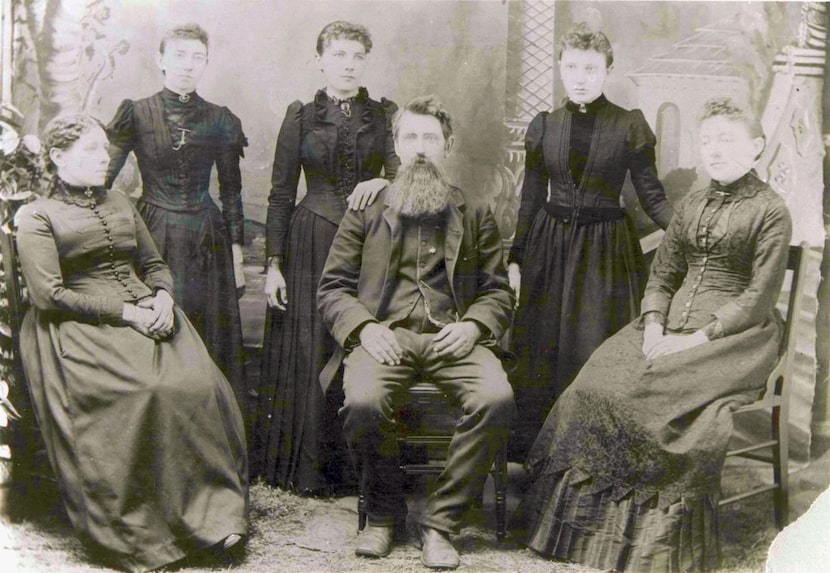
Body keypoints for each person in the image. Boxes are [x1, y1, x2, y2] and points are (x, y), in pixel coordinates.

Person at [510, 97, 792, 572]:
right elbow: (662, 276)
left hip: (734, 337)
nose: (715, 150)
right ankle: (586, 534)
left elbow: (757, 299)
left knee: (658, 402)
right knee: (593, 386)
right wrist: (656, 324)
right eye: (707, 141)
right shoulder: (692, 204)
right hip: (669, 324)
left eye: (727, 140)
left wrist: (692, 340)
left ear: (757, 146)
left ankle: (649, 546)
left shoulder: (771, 211)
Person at [16, 114, 248, 573]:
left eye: (105, 150)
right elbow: (49, 295)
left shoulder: (122, 201)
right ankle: (145, 534)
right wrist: (127, 313)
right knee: (147, 393)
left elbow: (154, 262)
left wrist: (162, 297)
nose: (105, 158)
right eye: (91, 151)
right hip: (75, 326)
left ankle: (213, 517)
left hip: (147, 312)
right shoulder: (37, 215)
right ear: (59, 157)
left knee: (199, 385)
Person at [318, 95, 515, 569]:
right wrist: (364, 329)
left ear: (447, 146)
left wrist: (473, 325)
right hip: (385, 337)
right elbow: (332, 288)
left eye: (431, 138)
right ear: (397, 144)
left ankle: (441, 523)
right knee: (363, 402)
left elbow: (497, 291)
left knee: (496, 399)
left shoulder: (473, 211)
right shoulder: (366, 208)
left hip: (454, 339)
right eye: (411, 137)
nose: (421, 148)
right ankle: (384, 516)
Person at [507, 22, 673, 458]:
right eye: (573, 67)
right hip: (548, 248)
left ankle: (588, 459)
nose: (581, 77)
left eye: (592, 68)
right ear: (561, 68)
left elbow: (652, 196)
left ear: (607, 71)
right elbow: (529, 199)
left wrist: (688, 233)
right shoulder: (544, 125)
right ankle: (537, 456)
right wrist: (515, 258)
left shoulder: (628, 125)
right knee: (541, 349)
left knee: (592, 349)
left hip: (605, 254)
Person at [250, 20, 399, 494]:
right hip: (310, 239)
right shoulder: (300, 116)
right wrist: (273, 264)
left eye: (357, 56)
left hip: (368, 241)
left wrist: (384, 180)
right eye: (339, 55)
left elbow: (405, 172)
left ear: (366, 61)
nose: (348, 64)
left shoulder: (384, 114)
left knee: (359, 337)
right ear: (321, 60)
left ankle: (359, 469)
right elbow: (278, 195)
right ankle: (310, 470)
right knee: (312, 341)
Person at [105, 23, 248, 413]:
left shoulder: (220, 119)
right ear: (161, 59)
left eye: (197, 58)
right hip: (154, 234)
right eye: (180, 55)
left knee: (208, 335)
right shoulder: (137, 112)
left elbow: (231, 192)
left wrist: (236, 256)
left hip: (208, 238)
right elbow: (102, 177)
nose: (188, 65)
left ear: (205, 64)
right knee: (157, 329)